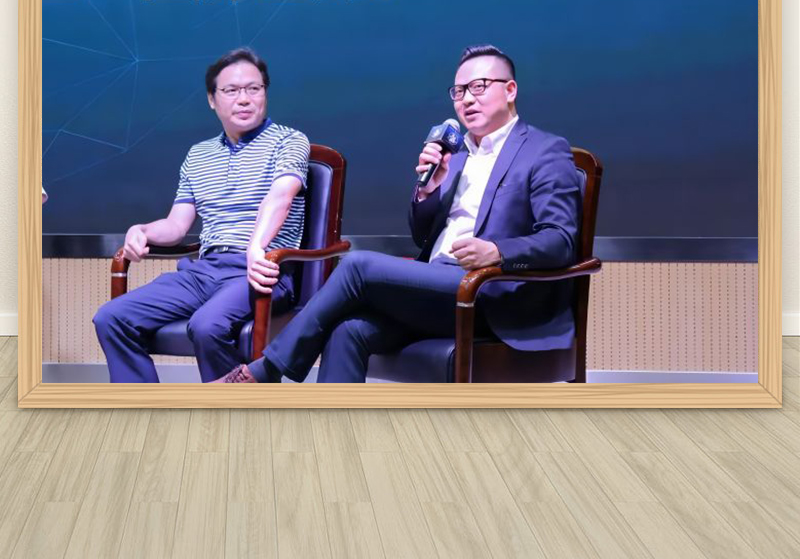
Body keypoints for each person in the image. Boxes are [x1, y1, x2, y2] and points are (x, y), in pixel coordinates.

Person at [216, 44, 582, 384]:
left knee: (357, 266)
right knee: (348, 330)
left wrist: (498, 252)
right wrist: (428, 191)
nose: (467, 99)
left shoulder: (544, 150)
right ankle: (332, 430)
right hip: (438, 287)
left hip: (492, 292)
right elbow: (421, 238)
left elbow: (561, 240)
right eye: (458, 91)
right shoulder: (454, 156)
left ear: (510, 90)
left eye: (479, 87)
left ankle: (265, 370)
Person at [93, 48, 309, 382]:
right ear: (212, 99)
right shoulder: (199, 155)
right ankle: (142, 408)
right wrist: (143, 230)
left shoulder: (290, 141)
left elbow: (281, 195)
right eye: (231, 90)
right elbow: (176, 226)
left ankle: (233, 408)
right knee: (111, 318)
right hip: (204, 271)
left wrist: (255, 247)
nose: (244, 99)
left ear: (265, 93)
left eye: (254, 89)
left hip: (261, 271)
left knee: (208, 325)